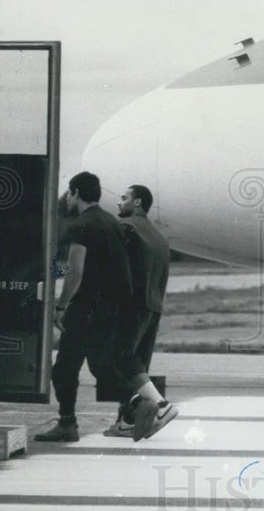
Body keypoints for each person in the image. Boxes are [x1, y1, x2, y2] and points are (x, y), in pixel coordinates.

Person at [36, 172, 135, 442]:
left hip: (86, 306)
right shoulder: (111, 222)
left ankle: (68, 424)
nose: (68, 198)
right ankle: (140, 404)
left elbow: (74, 271)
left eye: (69, 193)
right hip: (108, 306)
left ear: (76, 192)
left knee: (65, 367)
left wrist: (61, 306)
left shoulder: (81, 225)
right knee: (101, 365)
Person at [103, 185, 175, 439]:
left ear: (137, 202)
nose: (119, 203)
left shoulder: (127, 228)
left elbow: (112, 267)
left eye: (124, 198)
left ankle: (163, 407)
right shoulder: (159, 235)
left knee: (120, 358)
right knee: (138, 365)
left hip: (132, 305)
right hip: (153, 306)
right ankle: (127, 421)